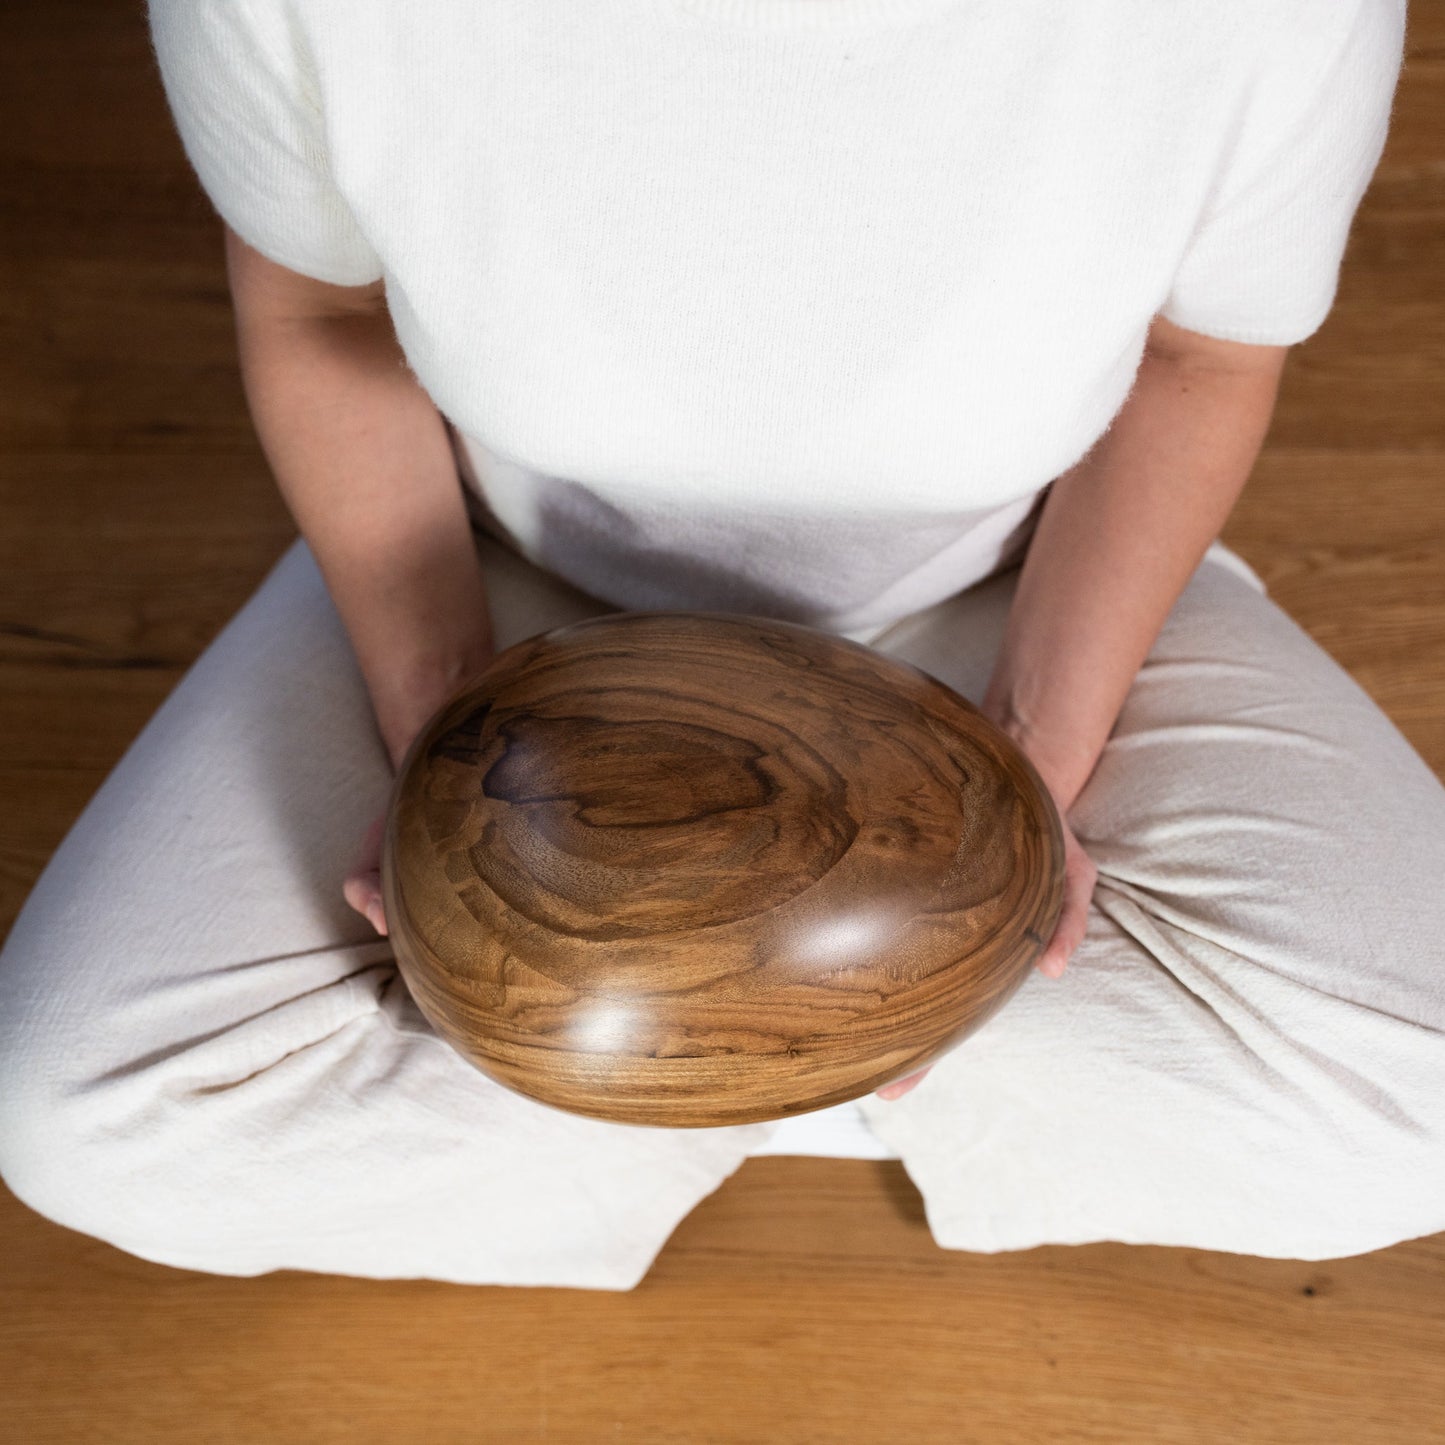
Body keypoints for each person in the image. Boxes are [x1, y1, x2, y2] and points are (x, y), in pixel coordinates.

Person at [0, 0, 1440, 1291]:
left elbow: (1199, 362)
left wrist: (1021, 785)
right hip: (503, 603)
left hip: (1009, 595)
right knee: (77, 1111)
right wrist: (446, 733)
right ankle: (830, 1075)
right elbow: (319, 318)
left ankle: (637, 1076)